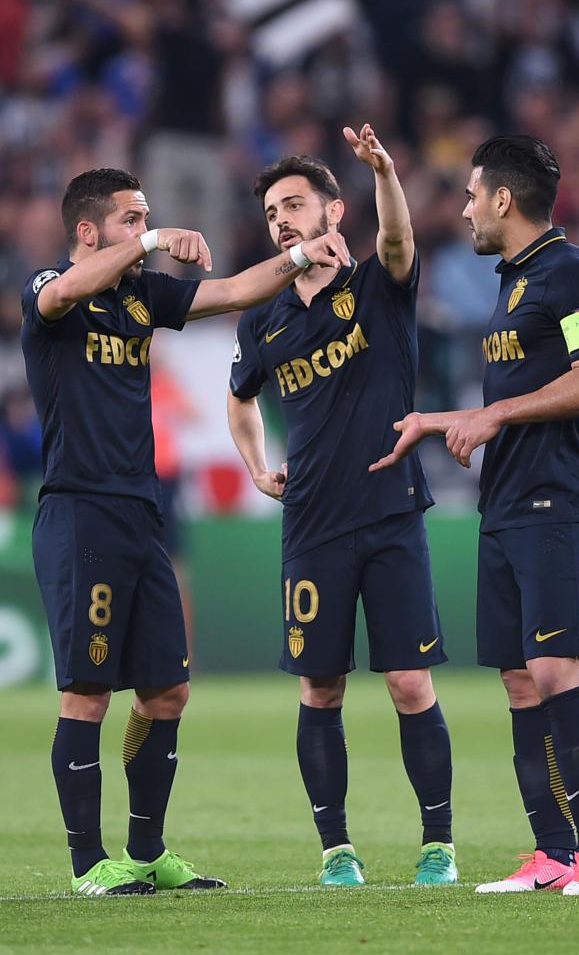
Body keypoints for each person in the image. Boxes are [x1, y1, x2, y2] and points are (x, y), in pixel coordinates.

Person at [21, 167, 349, 897]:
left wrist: (302, 255)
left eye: (146, 219)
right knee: (87, 693)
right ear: (88, 230)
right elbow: (62, 295)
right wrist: (159, 240)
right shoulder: (50, 287)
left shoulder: (141, 295)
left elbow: (234, 290)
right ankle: (86, 865)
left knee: (166, 691)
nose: (143, 230)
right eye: (131, 219)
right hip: (80, 513)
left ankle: (146, 852)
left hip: (142, 516)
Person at [371, 135, 579, 896]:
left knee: (551, 669)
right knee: (518, 681)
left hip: (557, 499)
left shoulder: (571, 271)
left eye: (473, 194)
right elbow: (513, 404)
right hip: (506, 502)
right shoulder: (514, 280)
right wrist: (437, 419)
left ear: (504, 200)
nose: (465, 207)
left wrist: (493, 414)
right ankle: (549, 854)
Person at [227, 126, 458, 887]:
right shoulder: (261, 318)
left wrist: (386, 171)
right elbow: (239, 400)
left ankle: (438, 846)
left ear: (333, 213)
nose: (281, 220)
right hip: (312, 526)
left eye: (294, 205)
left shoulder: (377, 285)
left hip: (391, 513)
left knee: (408, 683)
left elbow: (397, 235)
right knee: (319, 687)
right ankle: (336, 851)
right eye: (271, 212)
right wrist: (257, 466)